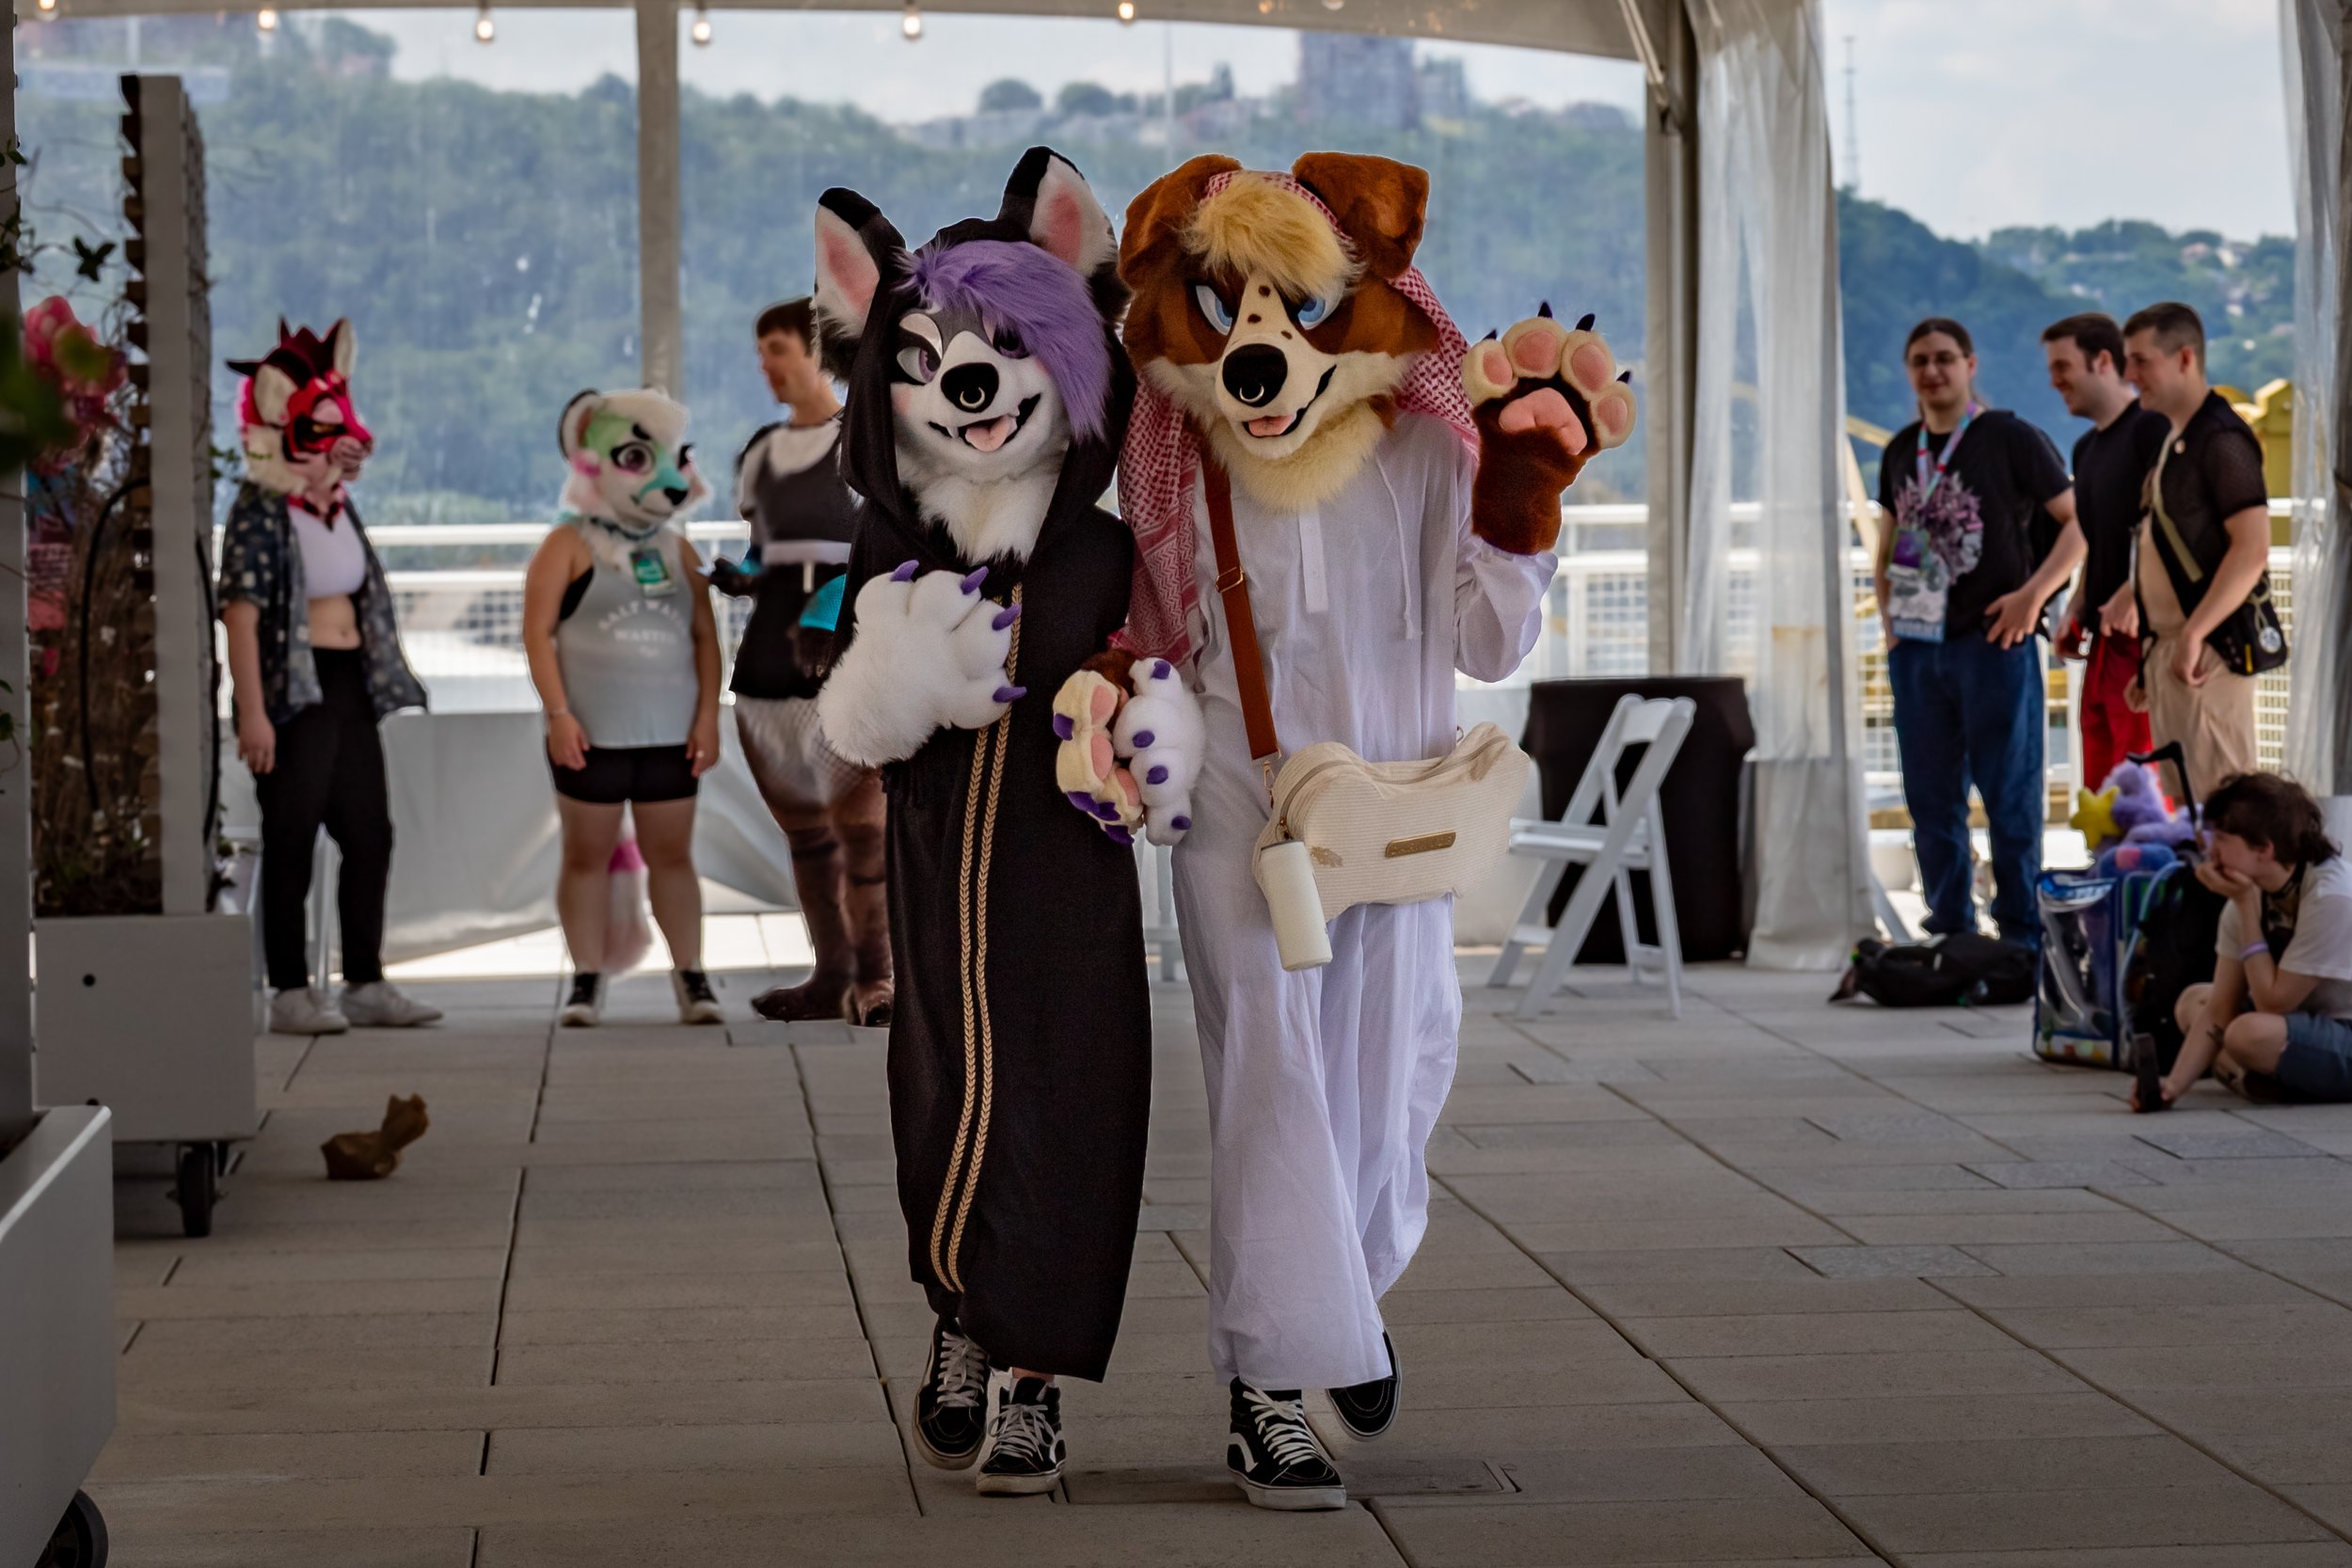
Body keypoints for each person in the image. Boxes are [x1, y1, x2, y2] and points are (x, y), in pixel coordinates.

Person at [1084, 154, 1633, 1511]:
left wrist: (1519, 509)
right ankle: (1270, 1385)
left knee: (1394, 1072)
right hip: (1243, 818)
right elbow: (1152, 636)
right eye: (1232, 308)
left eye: (1297, 305)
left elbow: (1491, 640)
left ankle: (1343, 1298)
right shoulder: (1183, 465)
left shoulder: (1426, 450)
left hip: (1396, 818)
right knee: (1272, 1074)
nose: (1263, 345)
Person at [808, 150, 1154, 1497]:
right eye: (935, 356)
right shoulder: (892, 546)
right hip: (942, 876)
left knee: (1072, 1098)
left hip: (1071, 880)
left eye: (1011, 348)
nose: (974, 382)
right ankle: (960, 1313)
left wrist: (1150, 731)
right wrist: (898, 675)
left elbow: (1167, 688)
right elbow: (850, 714)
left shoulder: (1106, 551)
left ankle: (1032, 1380)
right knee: (948, 1096)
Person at [218, 319, 441, 1036]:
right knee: (291, 835)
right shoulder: (259, 509)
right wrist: (251, 712)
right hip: (292, 691)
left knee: (368, 832)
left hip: (349, 683)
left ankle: (365, 980)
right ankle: (289, 989)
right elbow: (241, 613)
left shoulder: (339, 507)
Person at [1875, 317, 2084, 949]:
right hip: (1917, 645)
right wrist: (1888, 619)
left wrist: (2033, 597)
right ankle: (1950, 929)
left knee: (2010, 794)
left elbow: (2079, 524)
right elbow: (1888, 539)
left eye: (1944, 358)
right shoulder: (1901, 447)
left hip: (1994, 642)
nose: (1932, 371)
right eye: (1920, 360)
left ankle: (2021, 934)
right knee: (1930, 798)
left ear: (1971, 364)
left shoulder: (2010, 437)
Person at [710, 298, 891, 1025]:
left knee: (865, 828)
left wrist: (827, 611)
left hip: (848, 662)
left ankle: (879, 976)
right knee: (808, 835)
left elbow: (880, 549)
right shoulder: (761, 450)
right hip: (766, 667)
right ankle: (832, 972)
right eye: (762, 353)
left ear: (818, 352)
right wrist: (747, 576)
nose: (767, 367)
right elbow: (767, 545)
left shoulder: (870, 441)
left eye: (778, 349)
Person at [521, 387, 725, 1027]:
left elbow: (705, 638)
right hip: (591, 733)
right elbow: (537, 632)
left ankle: (692, 977)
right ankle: (586, 980)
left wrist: (707, 716)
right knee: (585, 856)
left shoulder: (678, 549)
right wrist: (559, 714)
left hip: (670, 734)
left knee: (674, 856)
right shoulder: (567, 545)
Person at [2121, 302, 2275, 798]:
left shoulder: (2222, 438)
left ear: (2184, 358)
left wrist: (2193, 634)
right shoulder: (2178, 439)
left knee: (2224, 806)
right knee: (2189, 804)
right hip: (2176, 646)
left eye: (2142, 361)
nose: (2131, 374)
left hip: (2206, 648)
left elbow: (2251, 548)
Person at [2137, 772, 2352, 1108]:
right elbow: (2221, 1007)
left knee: (2246, 1035)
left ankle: (2250, 1073)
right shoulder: (2253, 892)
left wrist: (2246, 910)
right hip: (2304, 1021)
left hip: (2343, 1027)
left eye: (2223, 839)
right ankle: (2260, 1077)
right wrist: (2170, 1089)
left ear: (2264, 848)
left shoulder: (2330, 895)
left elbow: (2274, 1003)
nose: (2211, 850)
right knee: (2194, 1001)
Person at [2042, 312, 2169, 789]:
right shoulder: (2084, 449)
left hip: (2144, 637)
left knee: (2142, 780)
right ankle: (2112, 864)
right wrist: (2076, 603)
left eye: (2062, 367)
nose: (2055, 382)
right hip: (2103, 637)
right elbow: (2101, 538)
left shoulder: (2150, 429)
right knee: (2102, 780)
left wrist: (2135, 591)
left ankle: (2148, 863)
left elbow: (2168, 522)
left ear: (2101, 361)